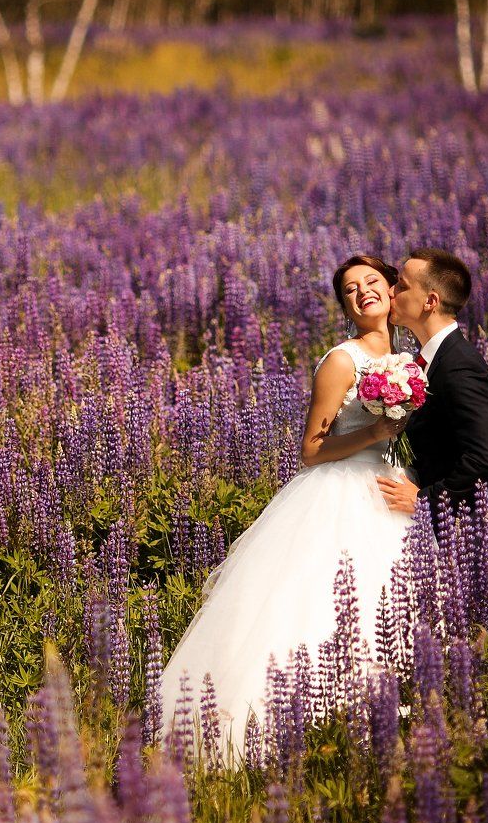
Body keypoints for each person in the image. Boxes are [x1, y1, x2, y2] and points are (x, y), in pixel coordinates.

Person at [159, 254, 414, 761]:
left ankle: (393, 721)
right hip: (342, 491)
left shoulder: (411, 359)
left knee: (393, 602)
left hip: (395, 488)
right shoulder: (342, 360)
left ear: (391, 289)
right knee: (318, 605)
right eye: (349, 289)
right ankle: (293, 731)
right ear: (344, 306)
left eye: (371, 281)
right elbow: (311, 450)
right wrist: (375, 431)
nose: (362, 292)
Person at [375, 248, 488, 537]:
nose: (390, 291)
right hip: (444, 527)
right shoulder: (427, 359)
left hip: (471, 531)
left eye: (401, 286)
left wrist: (425, 499)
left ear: (430, 301)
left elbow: (483, 458)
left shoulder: (460, 366)